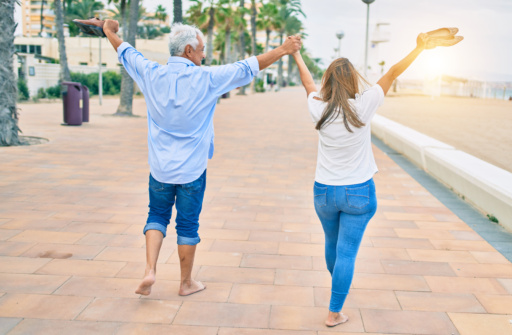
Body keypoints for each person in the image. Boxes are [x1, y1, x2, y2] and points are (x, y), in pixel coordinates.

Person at [79, 18, 302, 296]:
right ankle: (185, 283)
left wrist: (108, 31)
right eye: (201, 49)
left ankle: (150, 270)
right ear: (188, 50)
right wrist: (283, 49)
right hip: (192, 172)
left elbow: (125, 51)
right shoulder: (207, 78)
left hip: (160, 169)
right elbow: (249, 66)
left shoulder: (150, 73)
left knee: (157, 215)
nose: (204, 54)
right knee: (187, 223)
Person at [292, 32, 461, 327]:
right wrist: (418, 47)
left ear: (328, 82)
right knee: (346, 252)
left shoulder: (318, 108)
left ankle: (338, 289)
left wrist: (294, 54)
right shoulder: (364, 105)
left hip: (324, 193)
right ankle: (334, 311)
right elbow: (393, 72)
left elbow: (307, 83)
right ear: (353, 81)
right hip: (357, 192)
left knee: (333, 245)